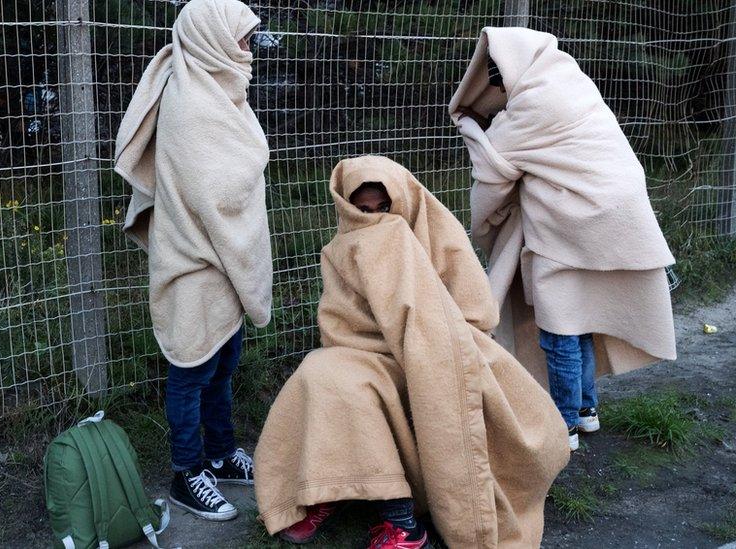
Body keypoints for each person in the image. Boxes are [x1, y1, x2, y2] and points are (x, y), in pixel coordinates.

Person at [254, 156, 569, 548]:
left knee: (416, 383)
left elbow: (476, 312)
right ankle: (325, 487)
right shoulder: (339, 250)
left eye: (384, 208)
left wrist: (425, 337)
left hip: (440, 347)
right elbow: (340, 323)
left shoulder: (435, 232)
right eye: (363, 210)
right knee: (319, 373)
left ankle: (403, 523)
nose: (375, 219)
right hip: (368, 353)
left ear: (401, 201)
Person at [450, 28, 677, 451]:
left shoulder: (530, 107)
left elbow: (493, 168)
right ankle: (587, 411)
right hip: (615, 216)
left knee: (557, 328)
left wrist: (469, 128)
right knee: (580, 317)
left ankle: (564, 425)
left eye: (497, 76)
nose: (496, 86)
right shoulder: (569, 80)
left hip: (572, 225)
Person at [113, 0, 271, 521]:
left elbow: (237, 176)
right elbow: (210, 191)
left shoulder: (221, 92)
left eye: (248, 39)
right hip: (195, 260)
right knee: (189, 368)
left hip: (225, 258)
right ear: (212, 39)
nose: (248, 50)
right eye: (242, 39)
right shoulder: (190, 104)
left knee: (222, 364)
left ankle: (222, 455)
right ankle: (187, 473)